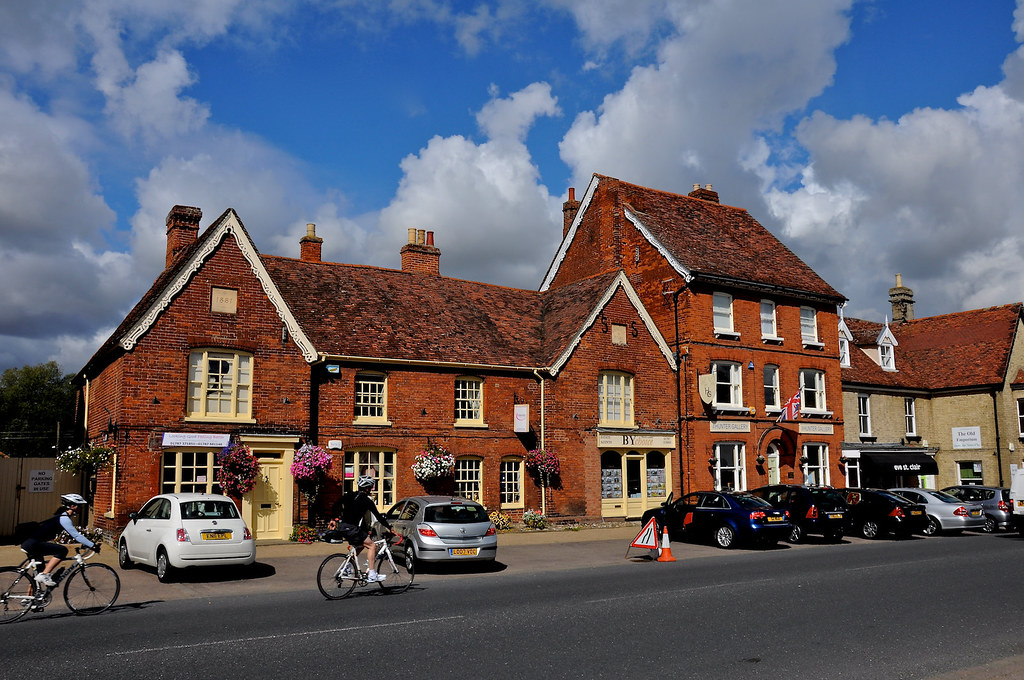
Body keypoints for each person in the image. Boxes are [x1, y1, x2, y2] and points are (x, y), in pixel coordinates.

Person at [21, 493, 99, 587]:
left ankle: (30, 599)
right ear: (72, 506)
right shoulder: (64, 518)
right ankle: (45, 575)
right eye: (80, 506)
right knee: (62, 550)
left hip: (30, 543)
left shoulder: (60, 516)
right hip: (33, 544)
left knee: (38, 573)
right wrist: (93, 545)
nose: (81, 509)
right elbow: (76, 536)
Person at [332, 475, 396, 583]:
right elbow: (379, 517)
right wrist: (390, 528)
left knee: (360, 546)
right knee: (372, 545)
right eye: (371, 487)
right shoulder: (367, 501)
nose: (371, 489)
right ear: (367, 488)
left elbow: (335, 505)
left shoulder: (349, 495)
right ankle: (372, 574)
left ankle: (347, 567)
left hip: (343, 527)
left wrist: (333, 519)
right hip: (353, 529)